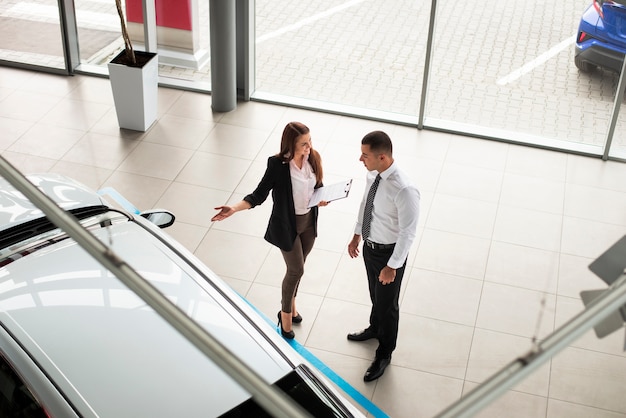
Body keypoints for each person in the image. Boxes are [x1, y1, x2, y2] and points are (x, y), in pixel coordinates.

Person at [211, 122, 328, 340]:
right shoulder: (277, 165)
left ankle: (292, 305)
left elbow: (318, 185)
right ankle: (284, 317)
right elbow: (258, 195)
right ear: (290, 145)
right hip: (287, 226)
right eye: (303, 144)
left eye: (310, 141)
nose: (308, 147)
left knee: (300, 267)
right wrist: (234, 208)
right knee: (296, 270)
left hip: (309, 224)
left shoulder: (313, 158)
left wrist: (321, 198)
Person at [347, 130, 420, 382]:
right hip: (370, 246)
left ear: (382, 157)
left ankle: (384, 353)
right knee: (374, 293)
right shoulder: (373, 175)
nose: (360, 159)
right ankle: (375, 328)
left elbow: (408, 233)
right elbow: (366, 205)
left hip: (390, 255)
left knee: (388, 305)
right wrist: (357, 234)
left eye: (364, 155)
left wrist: (392, 266)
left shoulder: (405, 189)